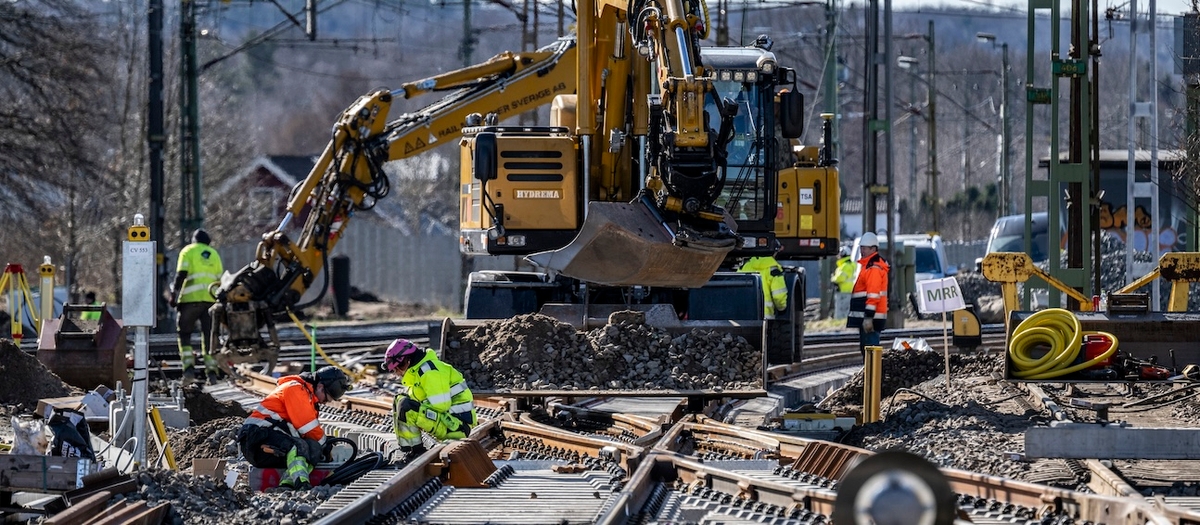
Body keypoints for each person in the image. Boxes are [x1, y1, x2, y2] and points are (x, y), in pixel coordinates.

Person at [237, 366, 349, 489]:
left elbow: (309, 434)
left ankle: (287, 484)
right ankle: (301, 483)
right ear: (320, 387)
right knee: (298, 446)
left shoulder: (308, 396)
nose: (325, 402)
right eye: (326, 398)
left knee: (312, 447)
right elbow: (308, 428)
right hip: (255, 439)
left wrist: (323, 444)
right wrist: (325, 443)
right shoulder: (295, 389)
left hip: (267, 438)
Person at [383, 338, 477, 457]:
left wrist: (418, 413)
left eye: (400, 366)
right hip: (449, 422)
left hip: (457, 427)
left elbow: (441, 405)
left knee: (407, 407)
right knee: (400, 400)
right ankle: (408, 450)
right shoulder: (418, 371)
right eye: (394, 370)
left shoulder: (429, 371)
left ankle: (416, 453)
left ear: (408, 360)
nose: (398, 372)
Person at [169, 229, 224, 382]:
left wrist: (174, 294)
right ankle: (212, 372)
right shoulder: (214, 254)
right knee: (209, 336)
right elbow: (221, 281)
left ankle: (188, 370)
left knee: (184, 334)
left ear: (194, 240)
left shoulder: (188, 251)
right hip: (210, 302)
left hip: (189, 301)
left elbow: (181, 274)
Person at [847, 232, 890, 357]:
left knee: (870, 351)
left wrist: (868, 317)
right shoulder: (868, 266)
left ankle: (873, 375)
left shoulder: (873, 268)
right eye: (861, 247)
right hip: (869, 316)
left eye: (864, 248)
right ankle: (871, 374)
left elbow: (873, 295)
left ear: (873, 249)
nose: (862, 251)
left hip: (871, 317)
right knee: (868, 349)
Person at [737, 244, 788, 319]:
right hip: (766, 318)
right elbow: (778, 296)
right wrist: (782, 308)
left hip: (744, 317)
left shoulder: (743, 268)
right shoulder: (774, 270)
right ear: (774, 252)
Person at [830, 246, 856, 319]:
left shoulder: (844, 266)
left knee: (841, 309)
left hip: (843, 291)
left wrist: (833, 278)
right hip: (850, 290)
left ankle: (840, 322)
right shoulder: (852, 265)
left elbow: (840, 278)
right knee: (847, 309)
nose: (838, 257)